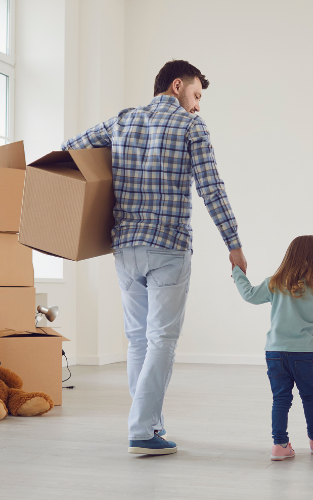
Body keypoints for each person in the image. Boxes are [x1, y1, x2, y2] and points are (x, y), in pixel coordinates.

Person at [62, 60, 248, 455]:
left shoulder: (122, 122)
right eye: (196, 95)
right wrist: (233, 243)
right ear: (177, 86)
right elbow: (211, 188)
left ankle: (150, 423)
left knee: (137, 341)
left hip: (126, 247)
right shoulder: (191, 127)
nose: (198, 105)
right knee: (161, 339)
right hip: (168, 247)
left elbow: (71, 149)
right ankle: (143, 430)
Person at [231, 235, 313, 461]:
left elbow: (248, 294)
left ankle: (280, 445)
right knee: (309, 396)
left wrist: (237, 271)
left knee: (280, 399)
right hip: (303, 355)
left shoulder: (274, 283)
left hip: (274, 353)